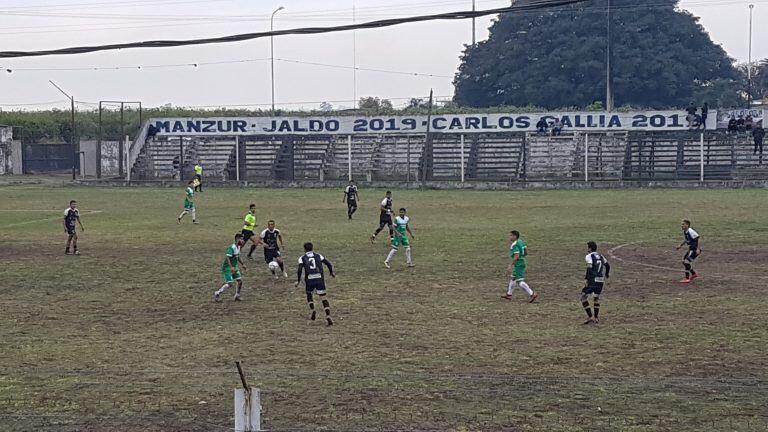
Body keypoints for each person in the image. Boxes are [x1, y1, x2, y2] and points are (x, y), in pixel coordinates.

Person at [296, 242, 336, 326]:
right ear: (312, 248)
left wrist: (298, 280)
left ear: (304, 249)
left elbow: (300, 269)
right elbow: (328, 263)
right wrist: (331, 272)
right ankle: (328, 315)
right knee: (323, 298)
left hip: (310, 279)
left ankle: (312, 309)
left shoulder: (302, 258)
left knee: (309, 294)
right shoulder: (318, 255)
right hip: (319, 278)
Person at [502, 230, 538, 303]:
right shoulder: (520, 241)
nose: (510, 237)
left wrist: (511, 264)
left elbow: (516, 256)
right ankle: (509, 294)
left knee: (519, 281)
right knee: (513, 278)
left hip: (519, 263)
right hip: (522, 261)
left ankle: (532, 294)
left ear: (515, 236)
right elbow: (526, 251)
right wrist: (523, 256)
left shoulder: (514, 245)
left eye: (511, 235)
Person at [581, 241, 611, 325]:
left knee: (583, 297)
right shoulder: (601, 256)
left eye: (587, 247)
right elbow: (607, 265)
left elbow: (589, 268)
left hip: (593, 280)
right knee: (596, 298)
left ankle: (590, 316)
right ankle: (596, 317)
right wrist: (607, 274)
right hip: (600, 280)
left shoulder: (589, 256)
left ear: (590, 248)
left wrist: (587, 279)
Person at [214, 233, 247, 302]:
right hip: (227, 268)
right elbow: (227, 257)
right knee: (230, 284)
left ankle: (237, 296)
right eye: (241, 239)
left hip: (234, 267)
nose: (243, 241)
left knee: (240, 281)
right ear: (237, 239)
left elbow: (237, 257)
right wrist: (231, 267)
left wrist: (242, 264)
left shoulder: (238, 247)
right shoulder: (232, 247)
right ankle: (217, 293)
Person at [676, 219, 701, 284]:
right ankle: (693, 274)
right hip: (691, 249)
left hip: (694, 250)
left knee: (686, 262)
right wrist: (680, 245)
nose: (682, 226)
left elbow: (698, 238)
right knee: (684, 261)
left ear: (687, 225)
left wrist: (698, 249)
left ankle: (687, 278)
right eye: (682, 224)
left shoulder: (690, 231)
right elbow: (686, 240)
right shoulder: (685, 231)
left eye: (683, 224)